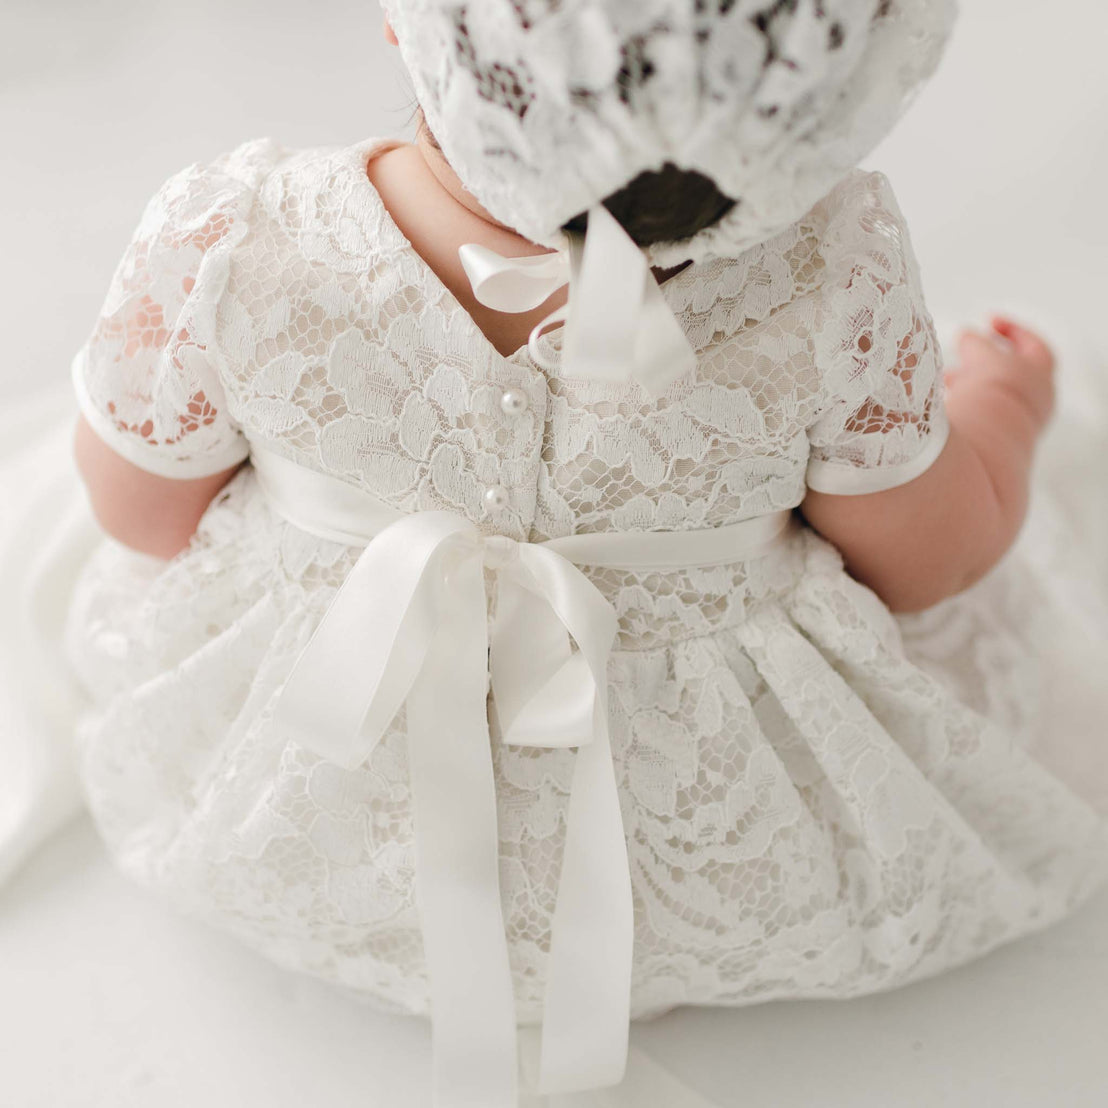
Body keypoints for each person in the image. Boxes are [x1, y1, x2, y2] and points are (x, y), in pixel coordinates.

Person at [2, 1, 1106, 1105]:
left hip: (309, 834)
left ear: (417, 29)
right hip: (717, 865)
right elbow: (932, 561)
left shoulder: (236, 230)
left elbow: (142, 516)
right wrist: (1003, 405)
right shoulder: (832, 268)